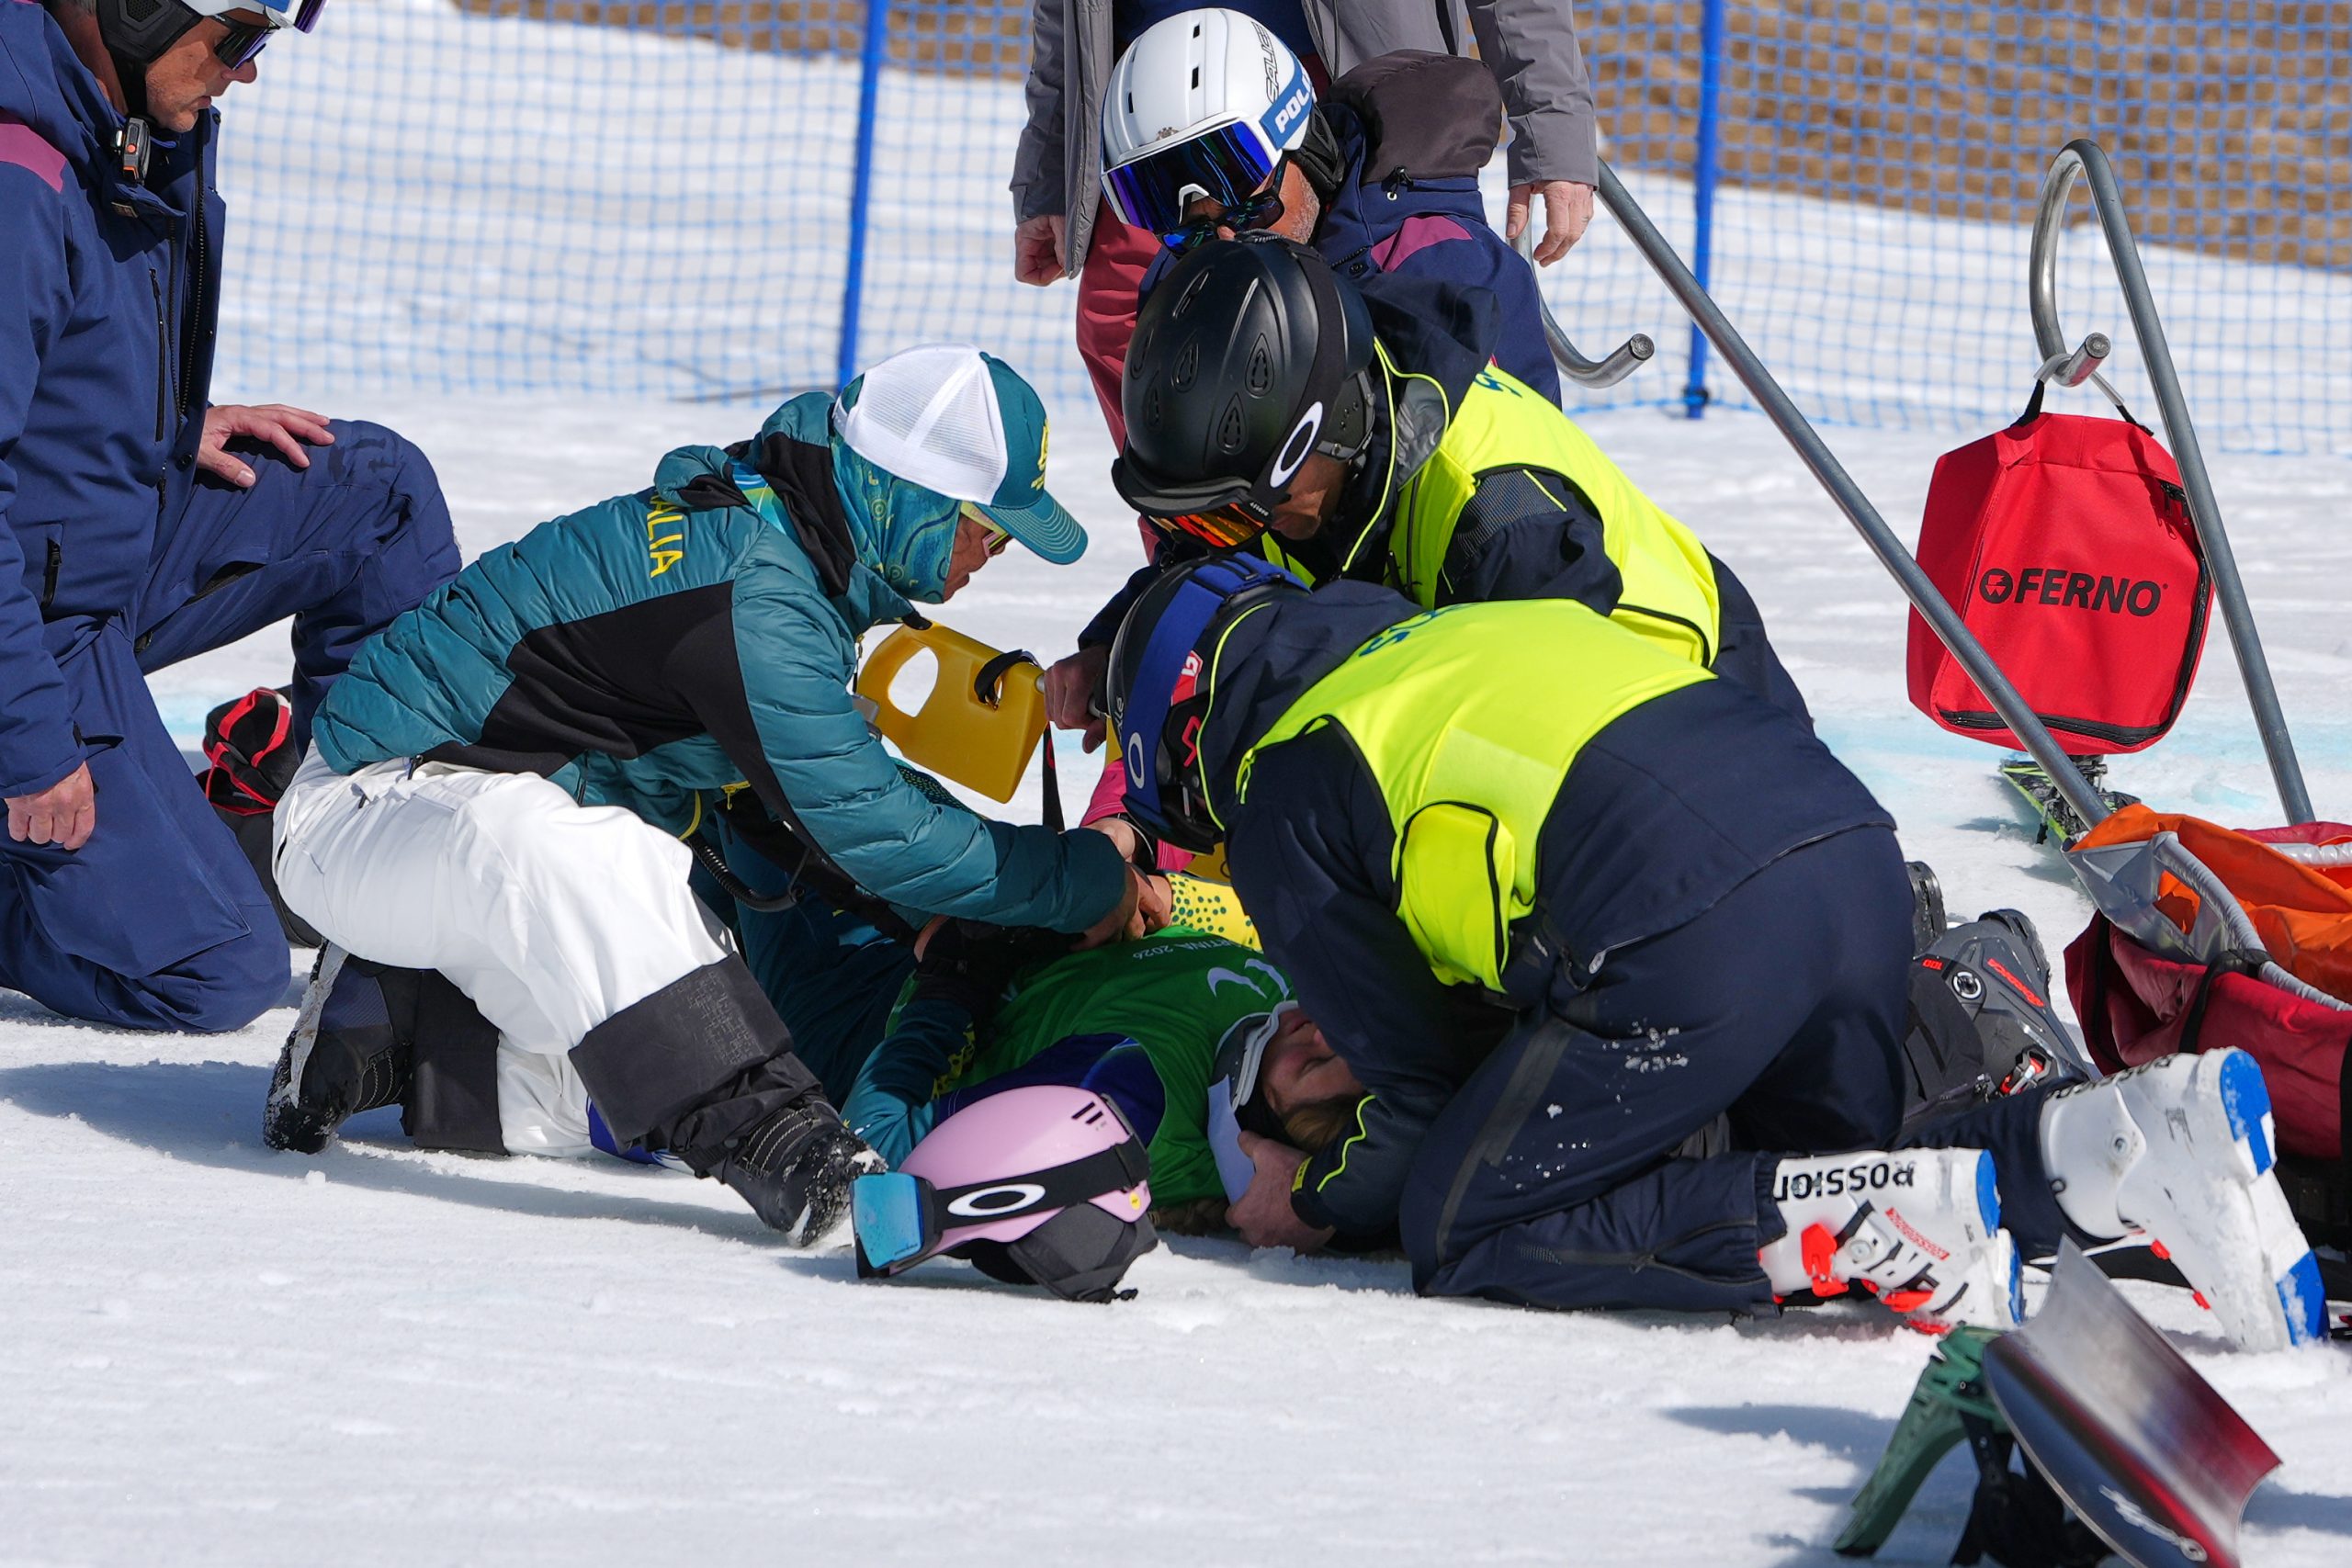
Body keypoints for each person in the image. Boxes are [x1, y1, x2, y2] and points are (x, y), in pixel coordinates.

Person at [1107, 557, 2325, 1349]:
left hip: (1694, 923)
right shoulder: (1458, 632)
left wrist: (1312, 1201)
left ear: (1181, 728)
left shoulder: (1287, 779)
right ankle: (2118, 1139)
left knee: (1466, 1222)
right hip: (1849, 856)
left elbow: (1423, 1091)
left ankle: (1875, 1225)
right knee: (1839, 1155)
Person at [265, 345, 1161, 1245]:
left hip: (465, 852)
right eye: (985, 526)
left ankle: (391, 1029)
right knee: (573, 855)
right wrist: (1082, 881)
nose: (990, 554)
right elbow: (879, 829)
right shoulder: (756, 593)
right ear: (911, 496)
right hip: (364, 811)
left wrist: (958, 907)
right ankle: (778, 1139)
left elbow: (826, 795)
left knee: (637, 1071)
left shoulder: (786, 551)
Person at [0, 0, 459, 1032]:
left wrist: (163, 422)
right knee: (219, 971)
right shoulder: (17, 174)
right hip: (32, 630)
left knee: (377, 492)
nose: (245, 75)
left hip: (92, 555)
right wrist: (31, 748)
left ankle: (349, 839)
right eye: (236, 40)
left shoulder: (125, 128)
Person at [1012, 0, 1600, 443]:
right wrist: (1051, 163)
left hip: (1328, 89)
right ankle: (1226, 577)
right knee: (1146, 341)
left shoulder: (1434, 261)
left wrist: (1553, 124)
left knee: (1378, 347)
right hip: (1146, 111)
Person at [1102, 15, 1562, 401]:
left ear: (1309, 148)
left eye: (1251, 209)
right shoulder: (1176, 288)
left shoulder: (1437, 267)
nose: (1228, 242)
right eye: (1192, 232)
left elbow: (1521, 481)